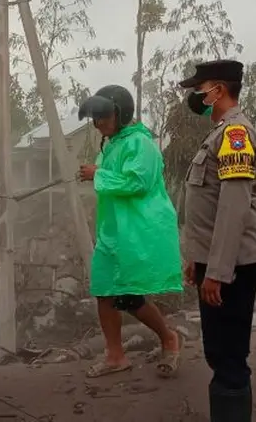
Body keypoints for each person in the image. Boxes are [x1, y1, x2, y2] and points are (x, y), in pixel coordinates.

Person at [178, 59, 256, 422]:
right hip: (214, 260)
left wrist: (216, 271)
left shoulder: (235, 135)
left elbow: (232, 210)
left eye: (200, 88)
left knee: (228, 355)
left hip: (231, 265)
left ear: (218, 89)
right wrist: (197, 260)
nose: (196, 95)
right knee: (218, 350)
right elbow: (208, 207)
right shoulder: (219, 133)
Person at [76, 85, 183, 379]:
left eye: (103, 116)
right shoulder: (111, 143)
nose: (98, 123)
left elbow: (138, 182)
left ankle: (169, 338)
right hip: (113, 229)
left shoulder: (140, 142)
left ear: (121, 114)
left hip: (136, 228)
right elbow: (112, 181)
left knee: (130, 297)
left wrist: (98, 175)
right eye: (95, 118)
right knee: (104, 290)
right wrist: (98, 175)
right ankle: (115, 355)